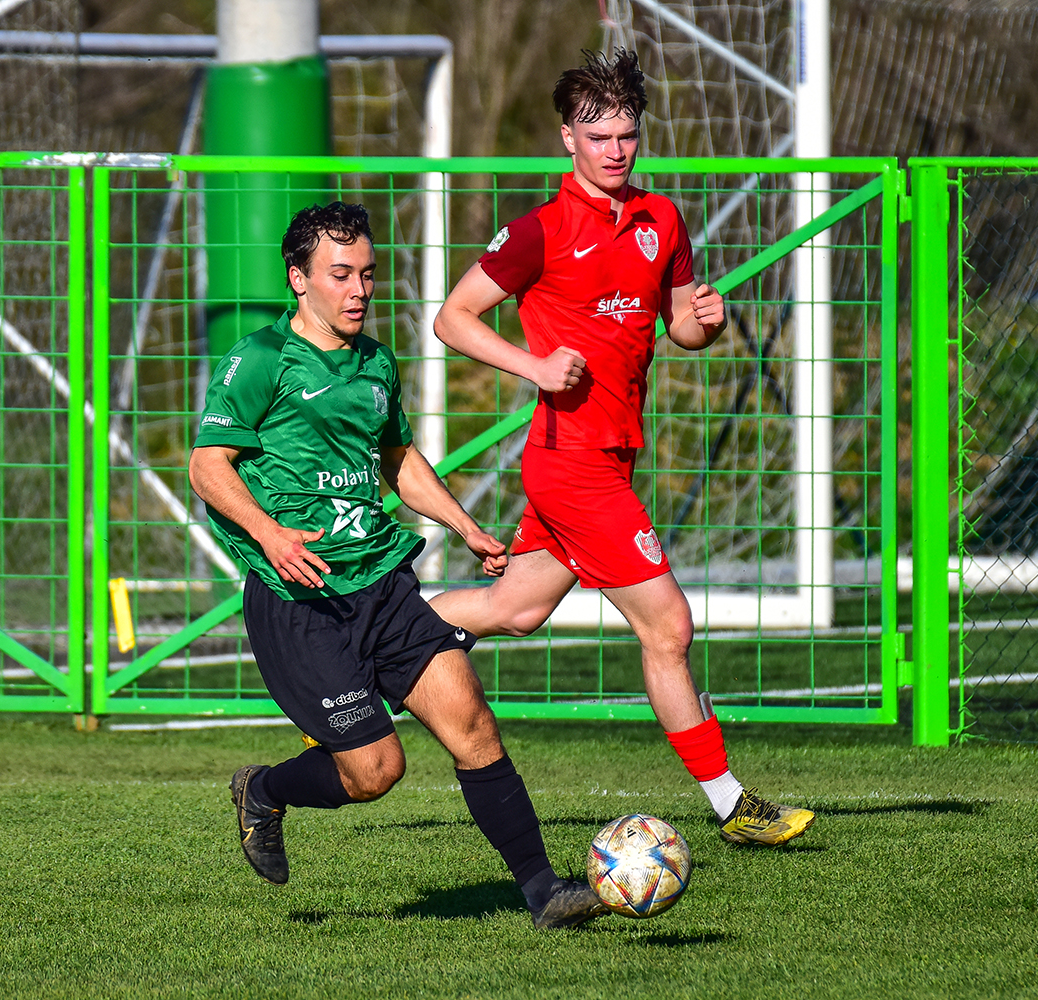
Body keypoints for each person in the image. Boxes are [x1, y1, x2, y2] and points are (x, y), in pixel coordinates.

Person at [428, 49, 815, 847]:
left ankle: (362, 648)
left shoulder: (661, 219)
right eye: (598, 136)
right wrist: (535, 366)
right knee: (668, 627)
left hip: (611, 455)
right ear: (567, 137)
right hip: (570, 463)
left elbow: (680, 326)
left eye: (627, 135)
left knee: (514, 609)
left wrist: (704, 325)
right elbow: (452, 319)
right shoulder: (538, 232)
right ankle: (734, 808)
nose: (615, 150)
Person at [188, 201, 607, 929]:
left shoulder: (377, 362)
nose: (358, 290)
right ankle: (265, 790)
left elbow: (398, 459)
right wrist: (271, 534)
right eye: (340, 274)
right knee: (376, 770)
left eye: (367, 274)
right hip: (301, 600)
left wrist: (464, 525)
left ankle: (545, 893)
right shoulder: (259, 359)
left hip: (382, 582)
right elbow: (206, 466)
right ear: (298, 279)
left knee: (473, 723)